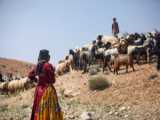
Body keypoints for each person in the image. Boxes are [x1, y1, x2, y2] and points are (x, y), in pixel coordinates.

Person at [28, 49, 63, 120]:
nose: (49, 57)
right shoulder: (48, 65)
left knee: (38, 107)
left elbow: (30, 75)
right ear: (46, 57)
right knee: (49, 109)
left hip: (38, 90)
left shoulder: (37, 66)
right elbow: (52, 80)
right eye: (48, 56)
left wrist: (37, 80)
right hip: (47, 91)